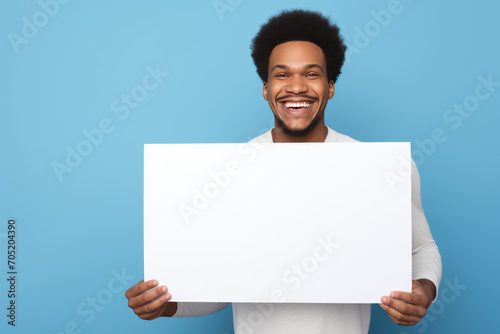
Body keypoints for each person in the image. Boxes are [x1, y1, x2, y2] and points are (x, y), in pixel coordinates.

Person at [125, 9, 442, 333]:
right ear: (266, 89)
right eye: (282, 74)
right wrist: (165, 304)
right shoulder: (231, 171)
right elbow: (219, 287)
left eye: (311, 74)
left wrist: (424, 292)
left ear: (330, 86)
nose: (296, 87)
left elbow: (422, 249)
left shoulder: (381, 167)